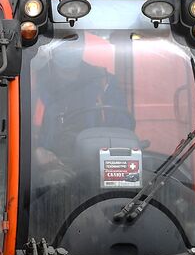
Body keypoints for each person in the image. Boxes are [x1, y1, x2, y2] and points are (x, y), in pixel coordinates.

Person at [32, 39, 133, 169]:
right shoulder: (33, 83)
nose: (69, 48)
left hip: (96, 163)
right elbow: (14, 131)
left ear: (82, 47)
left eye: (74, 43)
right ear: (52, 50)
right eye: (63, 44)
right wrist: (34, 152)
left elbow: (123, 128)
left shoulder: (104, 82)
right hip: (46, 168)